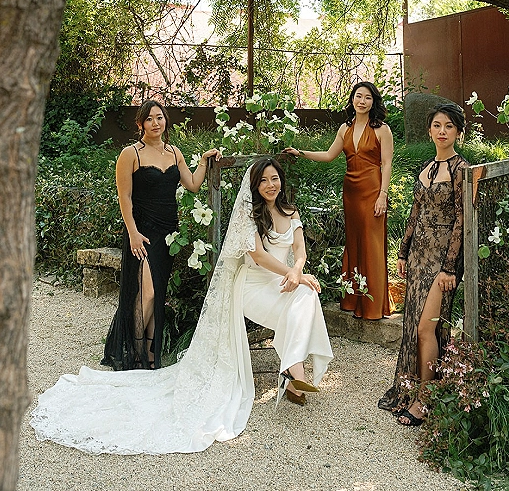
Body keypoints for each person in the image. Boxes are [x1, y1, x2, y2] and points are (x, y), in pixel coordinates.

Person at [30, 158, 332, 454]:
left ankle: (293, 376)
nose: (270, 185)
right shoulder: (249, 213)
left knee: (308, 296)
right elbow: (258, 257)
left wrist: (299, 271)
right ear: (254, 186)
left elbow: (299, 249)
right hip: (253, 286)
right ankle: (296, 376)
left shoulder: (291, 211)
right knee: (303, 298)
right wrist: (294, 274)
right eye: (263, 180)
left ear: (281, 181)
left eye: (274, 178)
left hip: (282, 282)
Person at [102, 99, 221, 371]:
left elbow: (192, 185)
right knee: (146, 292)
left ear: (165, 120)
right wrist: (132, 233)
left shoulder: (174, 152)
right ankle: (134, 349)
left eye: (160, 117)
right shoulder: (130, 154)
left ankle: (151, 351)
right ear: (140, 124)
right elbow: (125, 196)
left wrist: (203, 161)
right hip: (141, 231)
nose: (155, 123)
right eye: (149, 119)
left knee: (158, 292)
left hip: (168, 232)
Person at [377, 103, 467, 427]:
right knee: (411, 326)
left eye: (449, 126)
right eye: (437, 125)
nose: (442, 131)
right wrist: (402, 253)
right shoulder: (426, 168)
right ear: (429, 130)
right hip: (418, 258)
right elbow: (415, 215)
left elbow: (460, 221)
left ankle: (425, 400)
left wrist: (449, 268)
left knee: (426, 328)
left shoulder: (460, 169)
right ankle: (409, 389)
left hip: (442, 259)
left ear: (458, 131)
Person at [285, 81, 393, 319]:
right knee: (354, 241)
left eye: (367, 97)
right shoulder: (345, 128)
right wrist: (300, 153)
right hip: (351, 192)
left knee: (371, 243)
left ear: (373, 102)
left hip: (373, 191)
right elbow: (328, 155)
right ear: (352, 100)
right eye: (358, 96)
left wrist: (383, 195)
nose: (362, 101)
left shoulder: (382, 129)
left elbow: (386, 164)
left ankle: (374, 307)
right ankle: (354, 300)